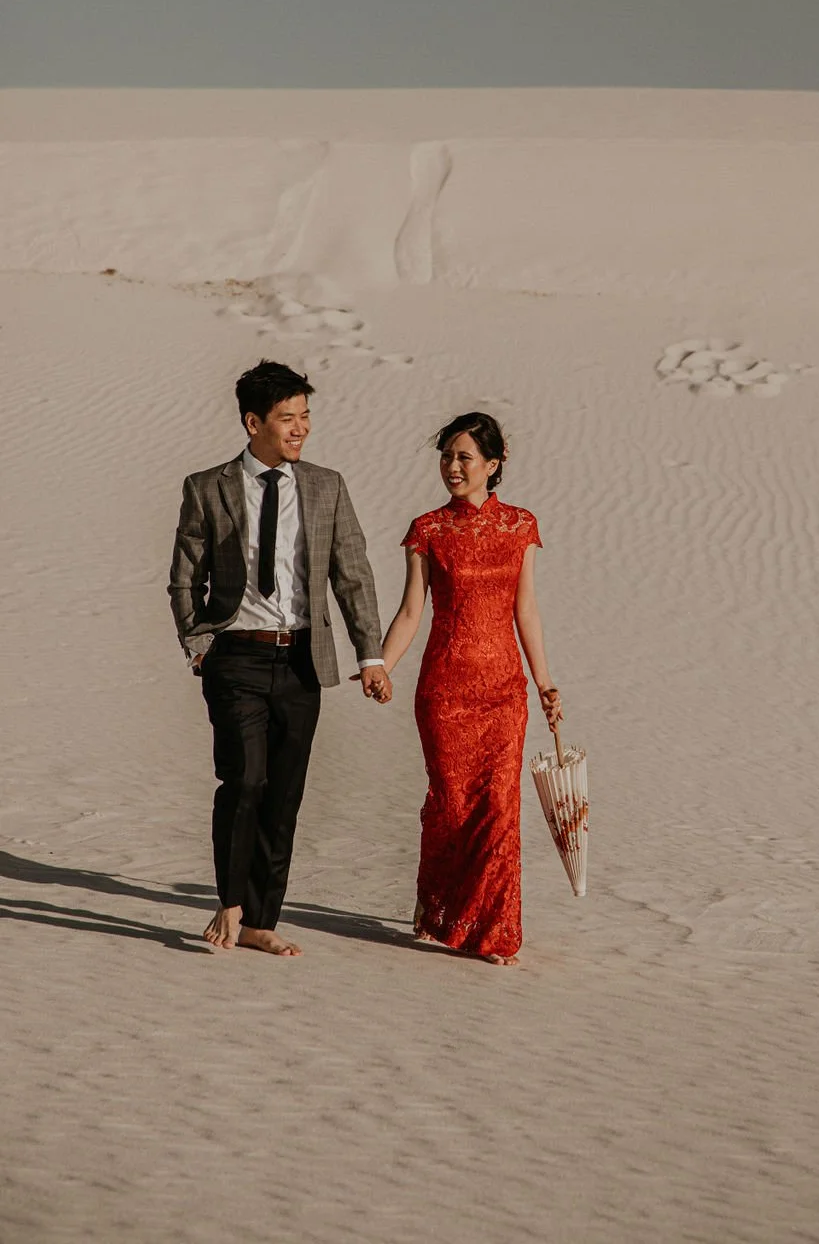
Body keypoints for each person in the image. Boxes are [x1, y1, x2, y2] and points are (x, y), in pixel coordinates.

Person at [169, 360, 391, 956]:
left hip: (301, 662)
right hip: (234, 656)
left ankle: (262, 920)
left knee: (284, 793)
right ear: (253, 422)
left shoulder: (326, 486)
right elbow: (184, 579)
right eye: (288, 418)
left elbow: (353, 575)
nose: (302, 429)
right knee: (243, 780)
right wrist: (198, 644)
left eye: (306, 416)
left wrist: (370, 654)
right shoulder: (207, 487)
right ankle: (231, 902)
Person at [378, 412, 562, 966]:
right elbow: (412, 611)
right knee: (452, 804)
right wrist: (379, 664)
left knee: (499, 808)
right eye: (446, 456)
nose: (452, 467)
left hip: (504, 691)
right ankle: (441, 913)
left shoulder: (519, 526)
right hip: (444, 690)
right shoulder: (428, 529)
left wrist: (545, 683)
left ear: (493, 463)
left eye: (464, 457)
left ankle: (495, 933)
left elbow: (525, 609)